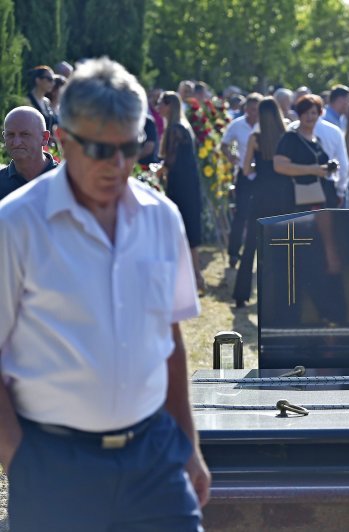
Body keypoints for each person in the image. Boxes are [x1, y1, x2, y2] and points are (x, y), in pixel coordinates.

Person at [0, 57, 209, 531]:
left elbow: (170, 342)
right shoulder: (16, 225)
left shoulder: (162, 218)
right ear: (64, 140)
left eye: (129, 148)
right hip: (55, 464)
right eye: (100, 149)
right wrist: (19, 458)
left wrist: (189, 448)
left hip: (154, 456)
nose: (117, 165)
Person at [233, 97, 289, 307]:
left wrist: (260, 169)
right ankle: (279, 295)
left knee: (250, 247)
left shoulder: (255, 138)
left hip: (261, 194)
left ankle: (241, 294)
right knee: (281, 248)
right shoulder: (286, 137)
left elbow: (246, 170)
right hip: (283, 195)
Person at [157, 91, 206, 292]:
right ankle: (195, 278)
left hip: (181, 187)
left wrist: (160, 170)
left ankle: (194, 278)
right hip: (187, 186)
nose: (158, 107)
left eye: (161, 103)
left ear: (169, 106)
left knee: (181, 231)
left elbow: (172, 161)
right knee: (187, 233)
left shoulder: (176, 129)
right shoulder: (183, 127)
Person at [274, 94, 338, 210]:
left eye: (313, 113)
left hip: (318, 198)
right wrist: (311, 169)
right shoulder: (290, 138)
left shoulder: (317, 140)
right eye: (305, 113)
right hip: (294, 200)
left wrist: (327, 168)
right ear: (299, 115)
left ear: (319, 114)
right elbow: (279, 166)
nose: (309, 117)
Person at [221, 93, 262, 268]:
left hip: (261, 175)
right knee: (241, 215)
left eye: (257, 110)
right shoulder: (237, 125)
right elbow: (224, 144)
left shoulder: (265, 125)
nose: (254, 113)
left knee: (260, 214)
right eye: (251, 109)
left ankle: (260, 252)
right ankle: (233, 252)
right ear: (246, 109)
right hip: (244, 174)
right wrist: (231, 156)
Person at [0, 107, 59, 201]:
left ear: (44, 138)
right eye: (10, 134)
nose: (16, 142)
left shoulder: (67, 181)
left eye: (25, 134)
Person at [26, 65, 58, 133]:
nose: (53, 83)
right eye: (49, 79)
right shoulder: (27, 101)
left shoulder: (46, 101)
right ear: (38, 80)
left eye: (53, 80)